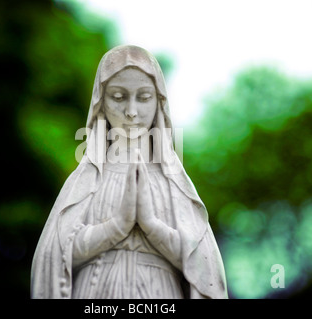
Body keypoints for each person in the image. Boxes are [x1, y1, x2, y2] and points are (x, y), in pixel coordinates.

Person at [31, 45, 228, 299]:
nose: (131, 112)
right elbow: (53, 256)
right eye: (118, 96)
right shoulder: (86, 180)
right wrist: (116, 226)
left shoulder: (173, 182)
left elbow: (206, 266)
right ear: (101, 103)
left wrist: (151, 225)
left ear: (159, 103)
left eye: (144, 97)